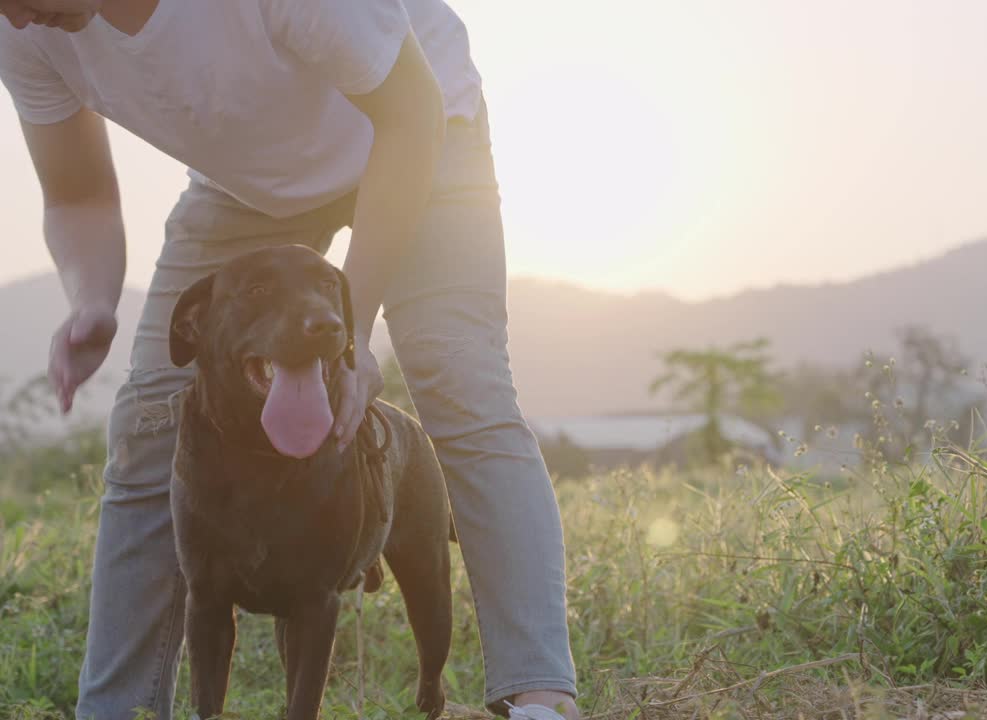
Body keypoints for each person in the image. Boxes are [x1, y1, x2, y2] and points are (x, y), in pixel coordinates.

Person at [0, 1, 579, 718]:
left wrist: (350, 331)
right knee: (149, 414)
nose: (16, 19)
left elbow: (409, 113)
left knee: (458, 377)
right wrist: (91, 297)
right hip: (248, 187)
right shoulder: (22, 24)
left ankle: (540, 697)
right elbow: (77, 191)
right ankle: (115, 709)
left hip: (421, 131)